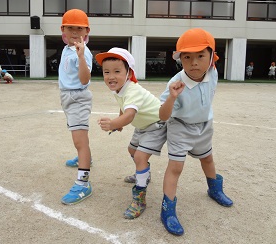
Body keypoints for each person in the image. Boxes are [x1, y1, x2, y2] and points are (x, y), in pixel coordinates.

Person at [159, 28, 233, 236]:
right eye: (187, 57)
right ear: (180, 59)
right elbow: (163, 115)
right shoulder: (176, 83)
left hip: (203, 125)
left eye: (201, 56)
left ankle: (214, 189)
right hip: (180, 127)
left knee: (208, 159)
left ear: (211, 58)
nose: (194, 62)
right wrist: (172, 97)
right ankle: (168, 210)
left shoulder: (213, 72)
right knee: (176, 167)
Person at [96, 48, 167, 219]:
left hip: (156, 125)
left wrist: (113, 123)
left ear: (129, 73)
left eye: (117, 71)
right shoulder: (119, 88)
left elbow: (129, 114)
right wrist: (118, 124)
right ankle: (144, 174)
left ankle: (140, 198)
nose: (111, 76)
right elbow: (123, 106)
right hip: (142, 126)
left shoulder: (133, 90)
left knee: (140, 157)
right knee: (132, 151)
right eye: (106, 72)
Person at [58, 9, 93, 205]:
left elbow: (84, 79)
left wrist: (80, 57)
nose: (74, 32)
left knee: (79, 141)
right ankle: (85, 158)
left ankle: (83, 184)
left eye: (79, 28)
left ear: (86, 32)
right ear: (63, 30)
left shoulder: (82, 51)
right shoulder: (68, 48)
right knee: (80, 139)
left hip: (78, 97)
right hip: (67, 96)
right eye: (70, 27)